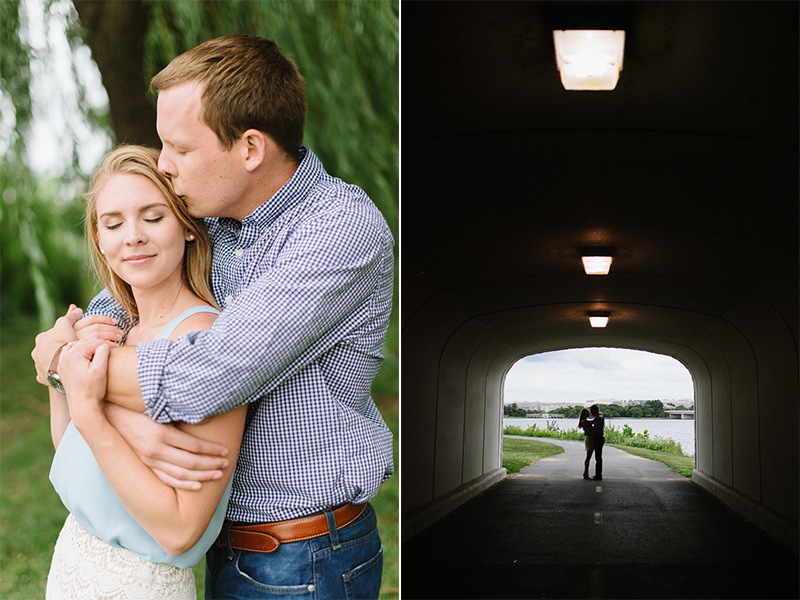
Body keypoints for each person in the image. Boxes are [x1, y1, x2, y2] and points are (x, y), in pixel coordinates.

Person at [33, 34, 394, 599]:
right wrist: (62, 351)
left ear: (250, 149)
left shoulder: (338, 230)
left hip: (303, 558)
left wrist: (74, 372)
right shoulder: (212, 220)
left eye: (178, 148)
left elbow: (208, 377)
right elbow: (111, 314)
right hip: (221, 545)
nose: (165, 166)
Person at [46, 145, 247, 599]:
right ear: (99, 239)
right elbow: (72, 451)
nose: (131, 236)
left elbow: (181, 529)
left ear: (188, 228)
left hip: (139, 584)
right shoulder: (118, 332)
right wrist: (65, 367)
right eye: (113, 224)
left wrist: (93, 412)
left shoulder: (204, 341)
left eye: (153, 217)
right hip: (74, 564)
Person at [578, 408, 594, 480]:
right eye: (588, 413)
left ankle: (586, 473)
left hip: (590, 438)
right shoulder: (584, 421)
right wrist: (598, 415)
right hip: (589, 438)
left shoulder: (585, 421)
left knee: (589, 457)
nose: (589, 414)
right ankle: (585, 473)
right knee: (588, 457)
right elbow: (593, 421)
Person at [589, 404, 605, 480]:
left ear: (595, 410)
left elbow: (597, 429)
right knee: (598, 457)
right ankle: (598, 474)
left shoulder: (599, 418)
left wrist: (589, 432)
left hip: (598, 438)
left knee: (598, 457)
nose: (591, 413)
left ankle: (598, 475)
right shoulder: (599, 417)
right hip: (599, 438)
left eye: (591, 411)